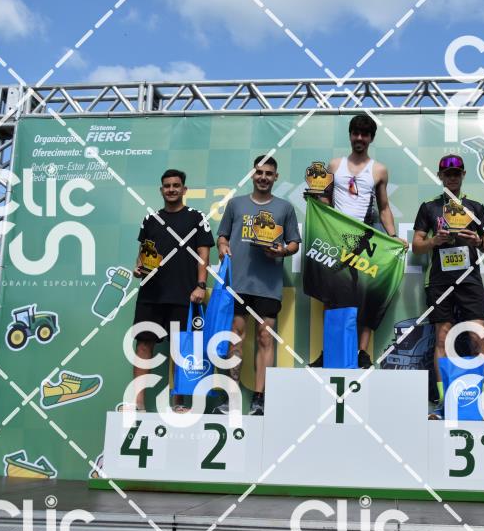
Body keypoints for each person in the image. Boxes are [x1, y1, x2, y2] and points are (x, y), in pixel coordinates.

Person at [318, 114, 407, 367]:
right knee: (331, 298)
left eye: (364, 134)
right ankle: (330, 351)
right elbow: (325, 200)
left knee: (365, 296)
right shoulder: (334, 165)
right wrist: (316, 202)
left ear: (371, 138)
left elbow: (384, 207)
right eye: (356, 133)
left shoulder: (378, 170)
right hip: (336, 240)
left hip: (365, 241)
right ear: (350, 135)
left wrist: (393, 237)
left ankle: (362, 352)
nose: (359, 138)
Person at [216, 155, 300, 415]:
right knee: (236, 336)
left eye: (268, 173)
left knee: (265, 338)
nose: (263, 177)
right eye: (259, 172)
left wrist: (282, 251)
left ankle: (259, 398)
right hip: (238, 283)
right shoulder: (235, 204)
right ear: (253, 174)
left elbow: (294, 244)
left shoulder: (285, 208)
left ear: (276, 177)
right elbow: (222, 236)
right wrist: (222, 247)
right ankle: (231, 397)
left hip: (268, 285)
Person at [412, 154, 484, 420]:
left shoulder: (476, 207)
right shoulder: (429, 207)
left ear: (463, 175)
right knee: (442, 339)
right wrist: (434, 242)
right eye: (448, 174)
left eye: (457, 173)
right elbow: (416, 246)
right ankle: (443, 401)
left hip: (469, 280)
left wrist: (477, 242)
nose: (452, 177)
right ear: (440, 176)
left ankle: (480, 402)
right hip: (440, 281)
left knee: (477, 337)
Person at [131, 169, 214, 412]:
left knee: (182, 349)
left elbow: (204, 254)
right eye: (167, 186)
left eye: (176, 185)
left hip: (184, 294)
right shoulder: (150, 219)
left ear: (184, 189)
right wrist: (138, 268)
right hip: (151, 294)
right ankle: (138, 403)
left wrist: (201, 285)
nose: (171, 189)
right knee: (143, 345)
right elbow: (143, 253)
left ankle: (179, 403)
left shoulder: (196, 218)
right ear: (161, 190)